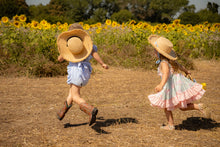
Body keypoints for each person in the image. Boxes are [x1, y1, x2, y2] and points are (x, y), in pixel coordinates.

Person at [147, 35, 206, 130]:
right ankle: (198, 106)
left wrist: (161, 85)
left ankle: (170, 125)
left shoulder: (163, 63)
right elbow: (181, 66)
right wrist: (186, 71)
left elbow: (166, 73)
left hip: (170, 86)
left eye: (155, 50)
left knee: (166, 106)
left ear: (158, 53)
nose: (154, 51)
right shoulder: (170, 61)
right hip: (177, 85)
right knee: (182, 106)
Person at [56, 23, 108, 126]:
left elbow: (60, 59)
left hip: (75, 71)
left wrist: (65, 49)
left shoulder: (70, 46)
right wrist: (102, 64)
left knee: (75, 96)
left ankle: (90, 109)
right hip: (85, 71)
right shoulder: (88, 46)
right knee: (71, 93)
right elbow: (94, 54)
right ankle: (62, 112)